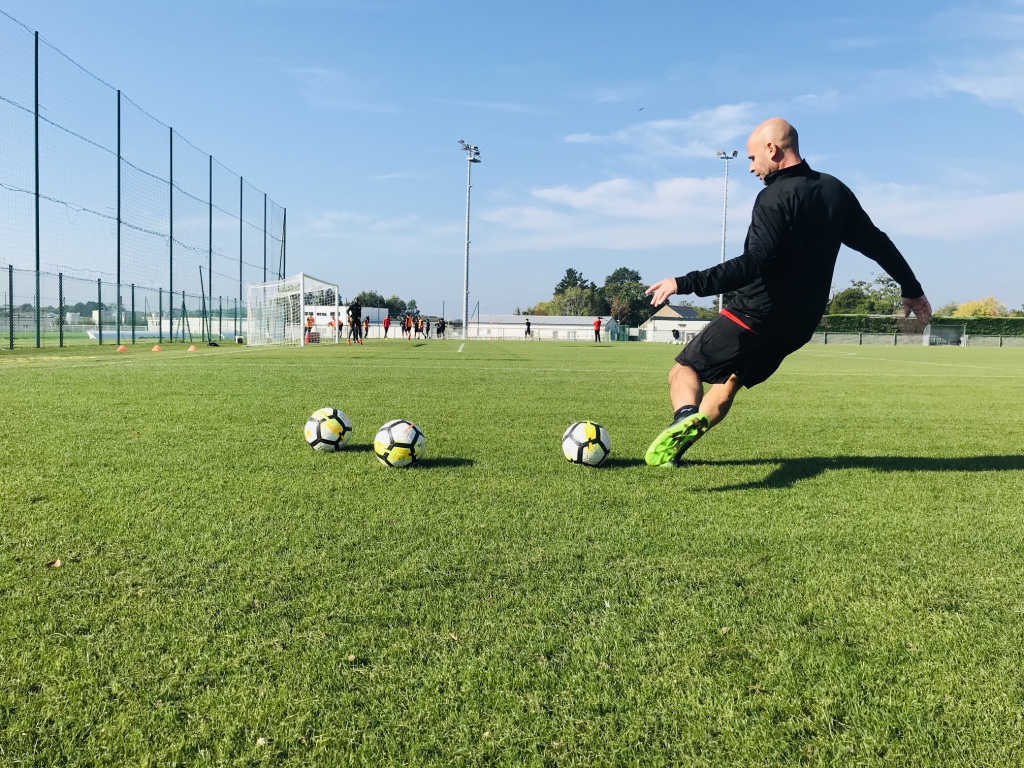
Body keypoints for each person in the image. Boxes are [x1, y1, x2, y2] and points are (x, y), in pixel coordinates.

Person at [643, 118, 932, 467]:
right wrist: (912, 289)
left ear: (772, 149)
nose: (751, 167)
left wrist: (684, 282)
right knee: (728, 381)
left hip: (756, 313)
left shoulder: (773, 197)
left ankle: (684, 417)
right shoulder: (834, 191)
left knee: (685, 368)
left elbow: (754, 263)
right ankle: (673, 453)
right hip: (800, 325)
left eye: (752, 158)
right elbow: (877, 244)